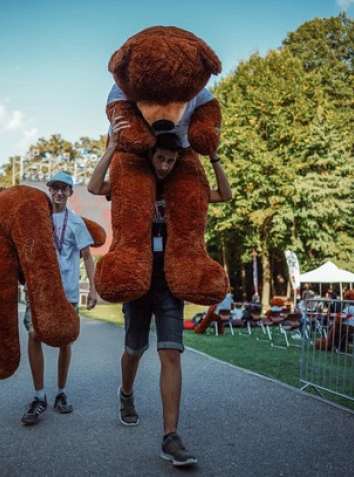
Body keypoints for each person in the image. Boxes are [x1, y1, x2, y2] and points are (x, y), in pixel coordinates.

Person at [88, 117, 232, 467]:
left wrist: (213, 157)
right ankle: (126, 393)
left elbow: (224, 195)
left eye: (171, 160)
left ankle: (171, 437)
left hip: (170, 279)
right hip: (138, 277)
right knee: (135, 349)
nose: (165, 166)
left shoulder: (183, 189)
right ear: (151, 156)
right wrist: (110, 149)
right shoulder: (131, 183)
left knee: (171, 352)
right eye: (161, 159)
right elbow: (94, 188)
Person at [21, 171, 98, 425]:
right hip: (39, 290)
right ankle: (39, 395)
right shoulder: (36, 220)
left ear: (70, 193)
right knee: (34, 335)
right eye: (55, 188)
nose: (59, 193)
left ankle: (61, 393)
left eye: (65, 189)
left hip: (67, 292)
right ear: (49, 189)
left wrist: (94, 289)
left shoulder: (76, 222)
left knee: (66, 340)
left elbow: (87, 256)